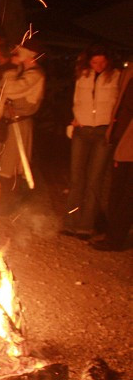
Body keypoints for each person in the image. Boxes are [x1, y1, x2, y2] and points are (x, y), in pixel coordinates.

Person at [62, 45, 121, 239]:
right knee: (76, 179)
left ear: (108, 61)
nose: (99, 66)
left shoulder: (116, 76)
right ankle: (70, 224)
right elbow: (76, 100)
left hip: (102, 132)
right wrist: (74, 118)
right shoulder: (83, 75)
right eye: (95, 62)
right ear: (89, 62)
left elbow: (118, 104)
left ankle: (85, 227)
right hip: (82, 130)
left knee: (94, 180)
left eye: (102, 62)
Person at [0, 39, 45, 191]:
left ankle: (7, 204)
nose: (17, 52)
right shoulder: (21, 72)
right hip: (8, 124)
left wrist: (11, 69)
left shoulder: (36, 75)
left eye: (21, 50)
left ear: (30, 55)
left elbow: (10, 89)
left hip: (19, 125)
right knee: (1, 164)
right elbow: (4, 97)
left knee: (10, 167)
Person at [92, 69, 133, 251]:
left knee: (127, 196)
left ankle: (115, 239)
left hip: (129, 145)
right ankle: (112, 234)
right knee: (117, 192)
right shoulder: (129, 73)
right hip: (122, 141)